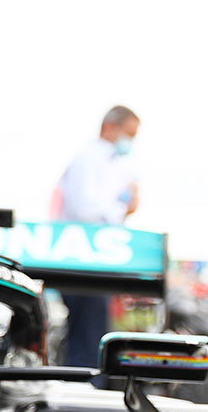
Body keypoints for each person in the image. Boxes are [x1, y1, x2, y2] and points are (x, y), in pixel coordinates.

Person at [53, 105, 142, 368]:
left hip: (92, 262)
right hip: (82, 262)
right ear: (110, 128)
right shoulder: (89, 159)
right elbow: (85, 210)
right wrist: (122, 206)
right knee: (87, 340)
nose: (131, 142)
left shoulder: (109, 162)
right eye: (129, 134)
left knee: (91, 337)